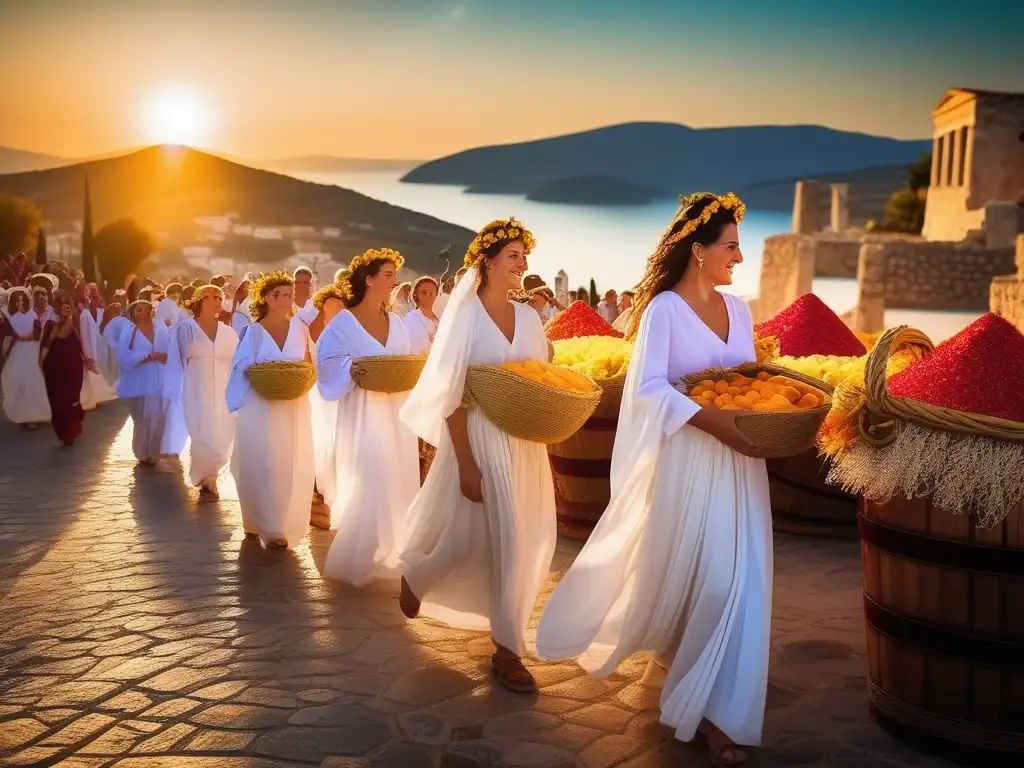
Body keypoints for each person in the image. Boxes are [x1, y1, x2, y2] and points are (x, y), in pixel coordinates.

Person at [535, 193, 769, 767]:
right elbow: (647, 388)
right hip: (691, 459)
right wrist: (712, 420)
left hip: (742, 463)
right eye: (732, 245)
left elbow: (748, 377)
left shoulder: (739, 310)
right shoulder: (663, 310)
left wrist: (762, 412)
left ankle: (723, 711)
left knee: (746, 582)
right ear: (699, 250)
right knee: (709, 579)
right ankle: (694, 681)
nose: (740, 256)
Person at [397, 218, 556, 694]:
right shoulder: (463, 316)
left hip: (525, 442)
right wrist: (465, 461)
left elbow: (540, 379)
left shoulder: (530, 318)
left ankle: (421, 575)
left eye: (524, 256)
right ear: (487, 262)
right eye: (513, 255)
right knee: (491, 537)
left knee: (518, 540)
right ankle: (508, 652)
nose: (522, 264)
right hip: (479, 438)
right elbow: (451, 395)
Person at [317, 248, 419, 585]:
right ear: (368, 279)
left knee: (394, 474)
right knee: (370, 474)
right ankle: (359, 556)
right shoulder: (343, 323)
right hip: (361, 413)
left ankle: (390, 551)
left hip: (395, 413)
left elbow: (403, 361)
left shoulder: (397, 322)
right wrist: (353, 367)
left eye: (394, 275)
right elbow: (327, 362)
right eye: (388, 275)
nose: (394, 281)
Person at [226, 272, 315, 549]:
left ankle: (280, 524)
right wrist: (261, 374)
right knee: (262, 462)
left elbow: (308, 360)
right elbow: (240, 365)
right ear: (267, 297)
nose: (288, 299)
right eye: (282, 294)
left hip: (293, 404)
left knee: (288, 462)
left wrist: (300, 376)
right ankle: (258, 521)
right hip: (260, 404)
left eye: (290, 294)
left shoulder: (300, 327)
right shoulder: (253, 331)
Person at [172, 285, 238, 500]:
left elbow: (238, 361)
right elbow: (177, 360)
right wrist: (174, 388)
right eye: (214, 297)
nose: (220, 302)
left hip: (223, 388)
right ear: (201, 300)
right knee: (200, 430)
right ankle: (206, 479)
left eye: (221, 298)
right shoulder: (187, 328)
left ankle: (212, 473)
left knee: (223, 431)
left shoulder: (228, 332)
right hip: (195, 386)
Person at [117, 300, 173, 466]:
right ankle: (142, 451)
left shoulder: (162, 329)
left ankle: (154, 452)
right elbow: (123, 357)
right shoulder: (129, 333)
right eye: (136, 310)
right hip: (140, 380)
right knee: (143, 416)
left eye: (143, 309)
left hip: (160, 378)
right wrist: (145, 356)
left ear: (150, 311)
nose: (140, 313)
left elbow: (170, 354)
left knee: (159, 415)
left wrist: (160, 356)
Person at [39, 290, 98, 446]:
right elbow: (45, 347)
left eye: (68, 307)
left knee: (72, 399)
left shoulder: (73, 325)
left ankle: (72, 431)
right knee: (58, 402)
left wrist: (88, 361)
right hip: (55, 370)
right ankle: (64, 433)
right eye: (64, 307)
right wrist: (40, 364)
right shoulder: (51, 325)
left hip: (73, 369)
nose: (67, 310)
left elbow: (79, 344)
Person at [1, 286, 51, 428]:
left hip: (32, 350)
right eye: (17, 301)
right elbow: (8, 335)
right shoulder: (8, 315)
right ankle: (22, 413)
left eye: (22, 301)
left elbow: (37, 336)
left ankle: (33, 415)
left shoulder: (32, 315)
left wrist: (33, 335)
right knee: (17, 381)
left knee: (33, 382)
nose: (20, 304)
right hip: (18, 352)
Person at [403, 276, 440, 355]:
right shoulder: (412, 318)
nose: (428, 295)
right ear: (416, 295)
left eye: (431, 293)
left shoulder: (440, 318)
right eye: (424, 292)